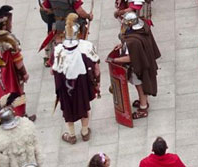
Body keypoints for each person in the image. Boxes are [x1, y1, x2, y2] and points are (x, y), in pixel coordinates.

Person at [51, 13, 99, 144]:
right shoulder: (86, 47)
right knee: (83, 107)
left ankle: (72, 135)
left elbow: (52, 70)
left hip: (65, 86)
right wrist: (97, 84)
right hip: (81, 84)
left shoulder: (58, 50)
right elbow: (96, 68)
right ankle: (84, 132)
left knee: (68, 109)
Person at [0, 5, 30, 121]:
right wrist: (24, 74)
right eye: (9, 22)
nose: (11, 24)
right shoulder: (9, 41)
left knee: (3, 95)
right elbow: (18, 61)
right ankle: (21, 117)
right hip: (11, 74)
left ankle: (5, 116)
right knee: (17, 95)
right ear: (4, 25)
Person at [109, 12, 160, 119]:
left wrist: (115, 60)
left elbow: (131, 57)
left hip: (138, 66)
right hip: (146, 60)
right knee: (142, 84)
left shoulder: (132, 41)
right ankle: (144, 101)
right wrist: (123, 45)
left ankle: (143, 108)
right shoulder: (143, 28)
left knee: (140, 86)